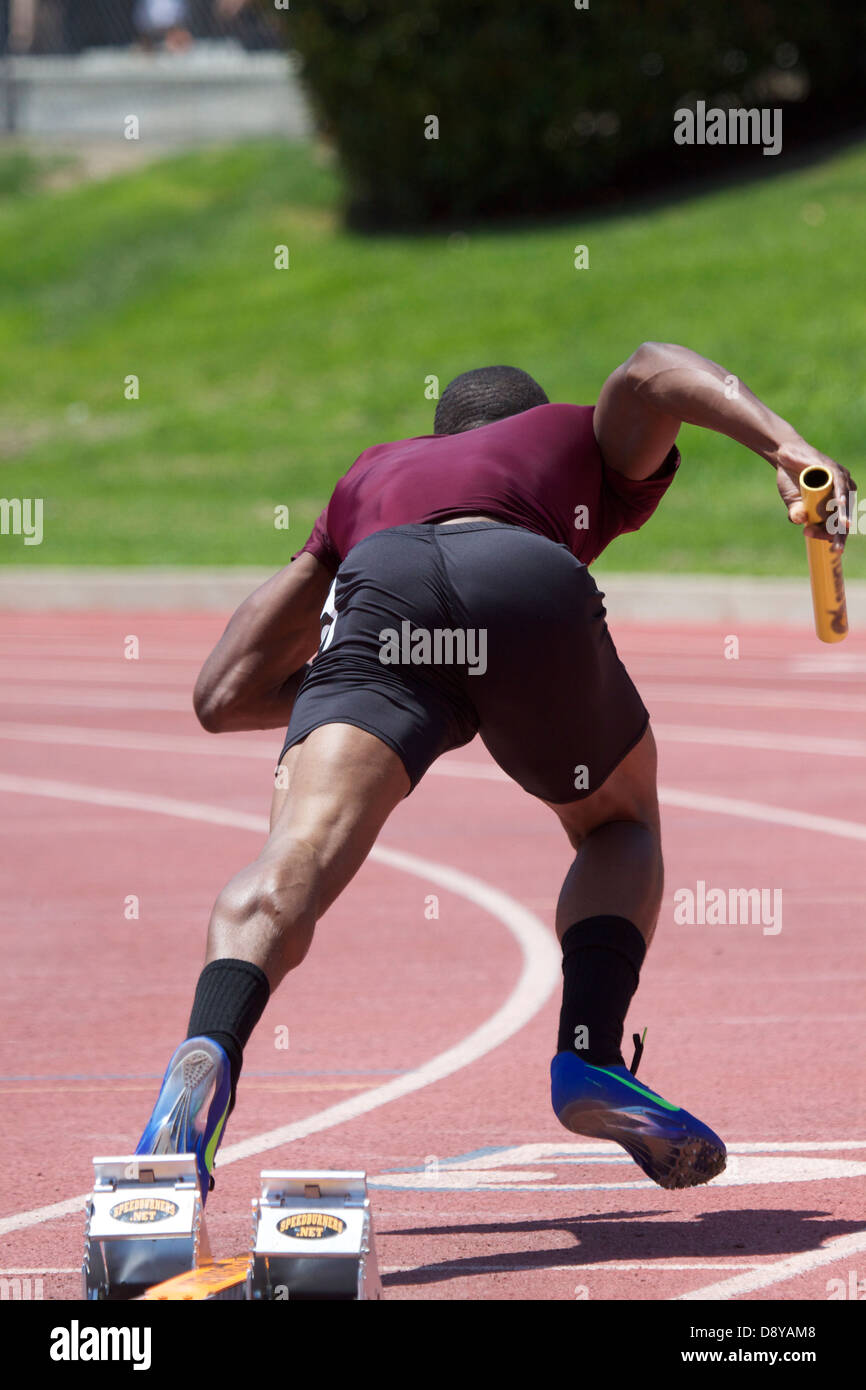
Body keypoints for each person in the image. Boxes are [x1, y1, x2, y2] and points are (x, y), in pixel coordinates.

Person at [135, 344, 853, 1198]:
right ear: (523, 421)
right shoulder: (566, 438)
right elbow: (653, 369)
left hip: (385, 594)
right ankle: (588, 1051)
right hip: (520, 578)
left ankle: (211, 1045)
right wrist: (790, 450)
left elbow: (222, 694)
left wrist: (378, 694)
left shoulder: (370, 476)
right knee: (618, 825)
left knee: (300, 851)